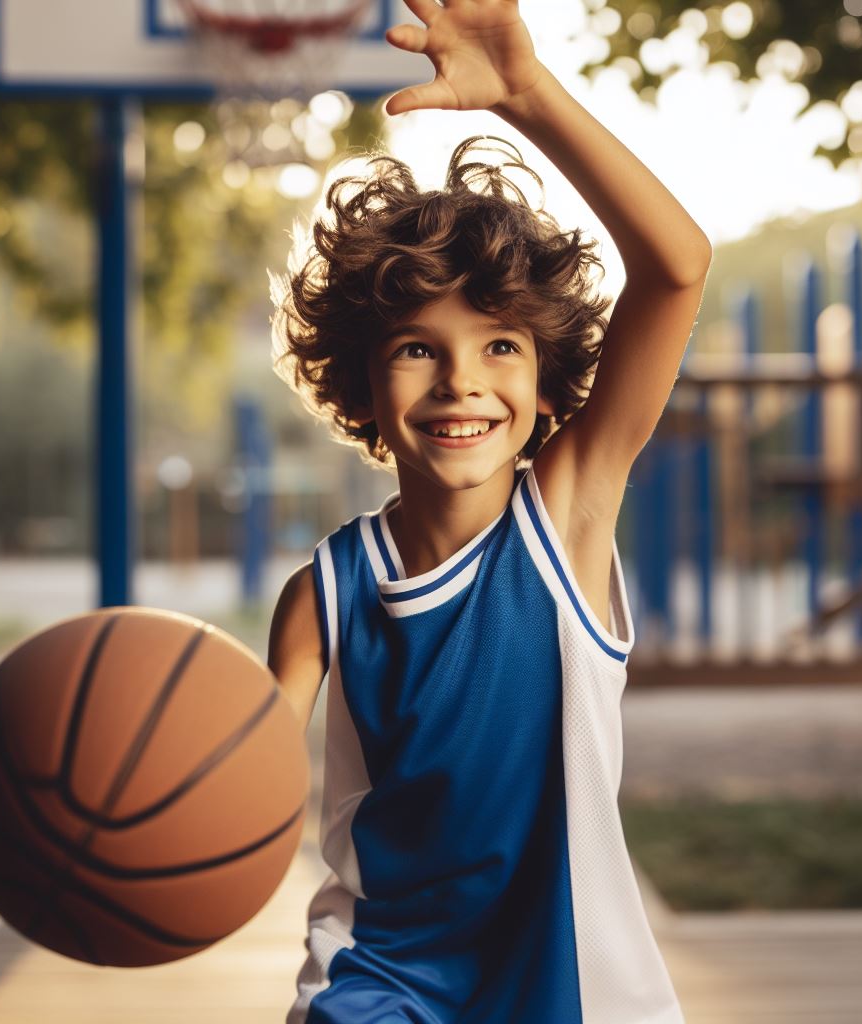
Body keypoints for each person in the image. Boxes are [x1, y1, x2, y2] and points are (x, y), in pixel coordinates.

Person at [267, 1, 711, 1020]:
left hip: (572, 985)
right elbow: (228, 784)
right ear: (365, 387)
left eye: (500, 346)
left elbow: (678, 268)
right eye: (417, 347)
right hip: (378, 984)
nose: (462, 381)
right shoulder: (325, 594)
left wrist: (530, 99)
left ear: (551, 389)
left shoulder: (569, 512)